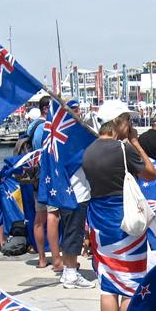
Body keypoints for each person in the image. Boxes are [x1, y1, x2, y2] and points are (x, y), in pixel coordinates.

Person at [82, 100, 156, 311]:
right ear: (117, 122)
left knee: (108, 284)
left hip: (98, 219)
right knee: (130, 283)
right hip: (124, 221)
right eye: (128, 120)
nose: (130, 124)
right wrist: (135, 141)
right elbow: (150, 174)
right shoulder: (124, 149)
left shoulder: (89, 151)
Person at [58, 101, 96, 289]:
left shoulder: (61, 137)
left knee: (69, 232)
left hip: (66, 191)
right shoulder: (73, 139)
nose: (79, 113)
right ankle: (72, 273)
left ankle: (68, 271)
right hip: (75, 192)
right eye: (76, 110)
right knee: (74, 232)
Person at [30, 96, 62, 271]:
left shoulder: (33, 127)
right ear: (46, 109)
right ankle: (57, 260)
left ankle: (42, 258)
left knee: (39, 218)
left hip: (38, 178)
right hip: (49, 177)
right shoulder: (46, 128)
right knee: (52, 216)